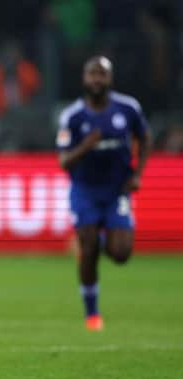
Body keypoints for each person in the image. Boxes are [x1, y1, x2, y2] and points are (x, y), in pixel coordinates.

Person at [56, 56, 151, 331]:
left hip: (117, 190)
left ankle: (98, 239)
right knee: (88, 248)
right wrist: (86, 146)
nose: (97, 79)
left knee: (121, 254)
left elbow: (145, 138)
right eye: (92, 74)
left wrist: (137, 174)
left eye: (102, 74)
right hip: (85, 190)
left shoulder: (128, 108)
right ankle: (92, 314)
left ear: (110, 78)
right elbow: (63, 161)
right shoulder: (72, 116)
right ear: (84, 78)